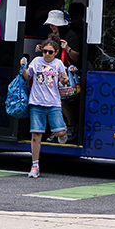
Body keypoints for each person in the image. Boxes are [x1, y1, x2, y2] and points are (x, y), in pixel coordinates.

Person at [21, 39, 71, 178]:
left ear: (56, 52)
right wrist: (23, 68)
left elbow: (64, 80)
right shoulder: (37, 61)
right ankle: (35, 165)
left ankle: (64, 132)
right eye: (44, 51)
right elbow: (27, 76)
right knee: (36, 135)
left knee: (59, 132)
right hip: (36, 103)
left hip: (53, 103)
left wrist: (63, 79)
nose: (47, 54)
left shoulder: (58, 64)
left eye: (50, 52)